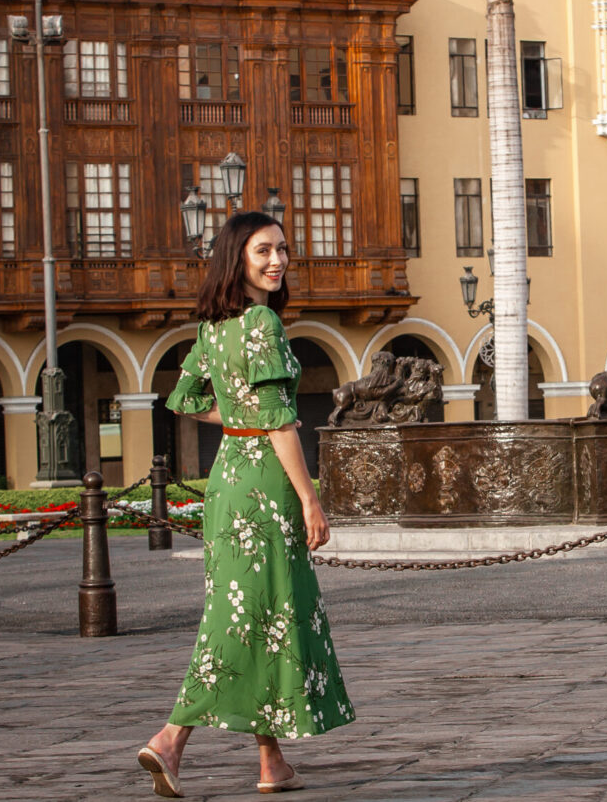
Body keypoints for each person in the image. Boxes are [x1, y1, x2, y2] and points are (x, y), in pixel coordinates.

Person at [138, 212, 354, 797]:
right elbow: (283, 422)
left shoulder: (214, 328)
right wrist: (311, 500)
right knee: (249, 617)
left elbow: (182, 400)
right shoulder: (261, 322)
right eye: (263, 251)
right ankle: (171, 739)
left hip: (228, 476)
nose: (277, 260)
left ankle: (271, 763)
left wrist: (236, 419)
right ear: (238, 259)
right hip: (265, 479)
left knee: (257, 614)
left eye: (283, 249)